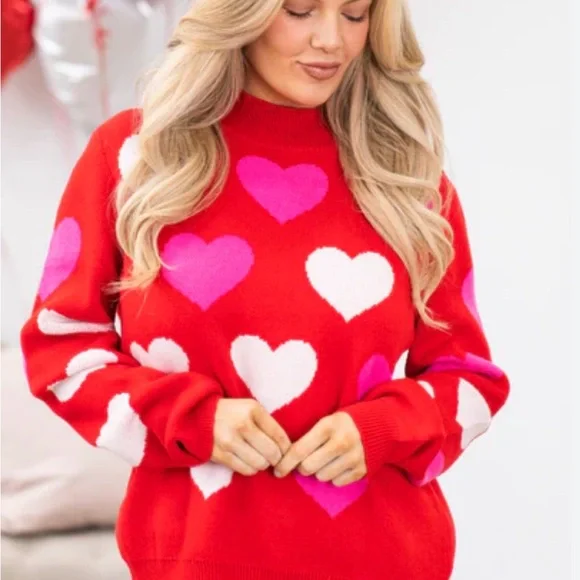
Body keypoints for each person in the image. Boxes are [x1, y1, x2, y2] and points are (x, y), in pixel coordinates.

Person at [19, 0, 510, 578]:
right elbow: (60, 349)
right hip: (193, 559)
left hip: (386, 556)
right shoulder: (134, 156)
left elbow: (468, 378)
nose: (332, 40)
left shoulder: (406, 180)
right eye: (300, 11)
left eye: (355, 14)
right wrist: (192, 420)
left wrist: (382, 431)